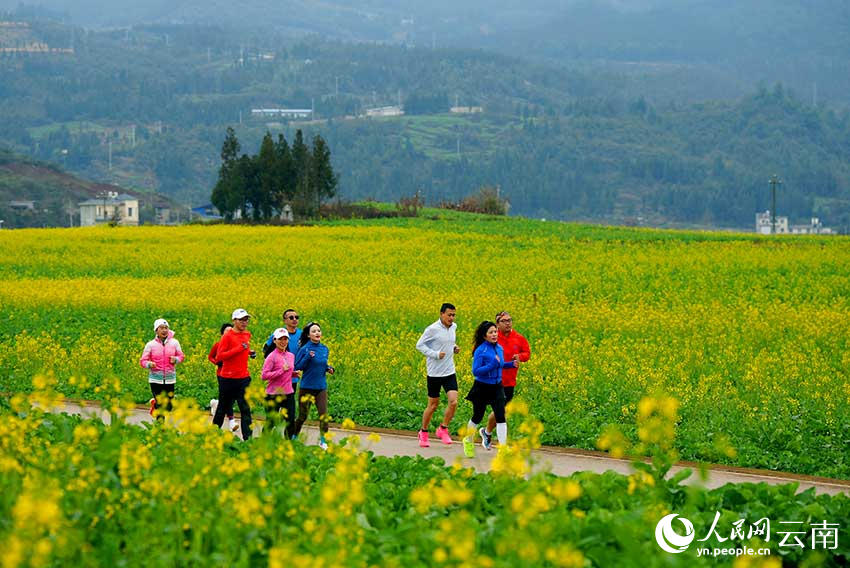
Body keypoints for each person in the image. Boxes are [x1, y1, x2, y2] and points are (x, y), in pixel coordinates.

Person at [462, 320, 517, 458]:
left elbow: (501, 364)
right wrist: (493, 364)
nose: (494, 334)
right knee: (477, 416)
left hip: (497, 387)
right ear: (484, 335)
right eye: (491, 332)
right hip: (482, 387)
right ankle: (468, 441)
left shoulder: (499, 348)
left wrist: (511, 364)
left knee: (501, 416)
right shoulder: (481, 350)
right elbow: (476, 371)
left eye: (495, 332)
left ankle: (502, 448)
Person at [481, 310, 531, 448]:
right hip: (494, 380)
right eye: (504, 321)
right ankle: (502, 445)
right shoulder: (492, 338)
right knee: (500, 410)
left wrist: (520, 357)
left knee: (502, 409)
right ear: (497, 324)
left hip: (510, 380)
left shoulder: (519, 338)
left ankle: (487, 432)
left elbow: (527, 353)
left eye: (510, 320)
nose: (508, 323)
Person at [415, 303, 460, 447]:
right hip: (434, 373)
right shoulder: (432, 329)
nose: (451, 318)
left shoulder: (454, 327)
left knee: (453, 402)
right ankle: (424, 432)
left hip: (449, 371)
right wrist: (435, 354)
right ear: (441, 314)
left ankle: (443, 429)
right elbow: (419, 345)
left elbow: (448, 343)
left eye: (453, 315)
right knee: (433, 405)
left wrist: (454, 348)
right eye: (449, 315)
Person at [212, 308, 256, 440]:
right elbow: (220, 356)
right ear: (234, 321)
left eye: (246, 319)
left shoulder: (247, 335)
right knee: (222, 409)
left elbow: (243, 348)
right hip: (228, 378)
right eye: (241, 320)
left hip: (243, 378)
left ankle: (248, 440)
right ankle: (212, 436)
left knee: (245, 409)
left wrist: (249, 353)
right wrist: (239, 349)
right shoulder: (227, 336)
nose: (244, 322)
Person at [292, 321, 335, 450]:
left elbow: (322, 364)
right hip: (306, 387)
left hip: (321, 387)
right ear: (309, 335)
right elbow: (297, 366)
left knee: (323, 415)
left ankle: (323, 441)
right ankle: (294, 437)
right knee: (302, 416)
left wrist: (329, 368)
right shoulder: (305, 348)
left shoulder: (324, 349)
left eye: (319, 331)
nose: (317, 333)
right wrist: (307, 357)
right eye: (314, 331)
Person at [139, 318, 185, 420]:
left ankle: (154, 405)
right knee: (161, 406)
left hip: (170, 378)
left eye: (166, 328)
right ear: (156, 330)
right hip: (155, 379)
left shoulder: (174, 343)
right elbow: (142, 361)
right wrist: (149, 364)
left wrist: (176, 359)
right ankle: (160, 429)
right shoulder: (150, 345)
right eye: (161, 328)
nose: (164, 330)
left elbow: (181, 356)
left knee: (169, 406)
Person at [261, 327, 296, 438]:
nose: (283, 342)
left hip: (288, 393)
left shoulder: (291, 356)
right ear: (274, 340)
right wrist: (281, 371)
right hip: (273, 394)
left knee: (290, 421)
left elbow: (287, 371)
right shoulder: (271, 357)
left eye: (285, 339)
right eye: (280, 339)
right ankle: (264, 443)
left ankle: (288, 445)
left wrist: (293, 373)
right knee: (271, 422)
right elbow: (264, 376)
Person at [262, 308, 303, 394]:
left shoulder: (301, 334)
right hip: (279, 375)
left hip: (293, 374)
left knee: (289, 399)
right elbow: (266, 349)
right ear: (285, 320)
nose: (294, 319)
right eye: (291, 318)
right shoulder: (278, 334)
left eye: (296, 317)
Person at [208, 322, 238, 432]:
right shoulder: (218, 345)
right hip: (221, 374)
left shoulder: (236, 345)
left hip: (235, 375)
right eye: (227, 331)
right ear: (222, 334)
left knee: (228, 398)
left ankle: (216, 404)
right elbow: (210, 357)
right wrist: (216, 362)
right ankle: (231, 420)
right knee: (227, 397)